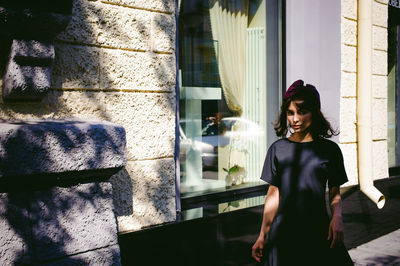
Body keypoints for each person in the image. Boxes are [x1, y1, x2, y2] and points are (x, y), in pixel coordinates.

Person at [251, 80, 354, 266]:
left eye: (302, 112)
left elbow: (334, 192)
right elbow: (273, 195)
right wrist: (262, 235)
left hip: (318, 230)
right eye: (290, 113)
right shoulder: (277, 149)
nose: (295, 119)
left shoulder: (330, 150)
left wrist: (337, 217)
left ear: (314, 112)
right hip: (283, 235)